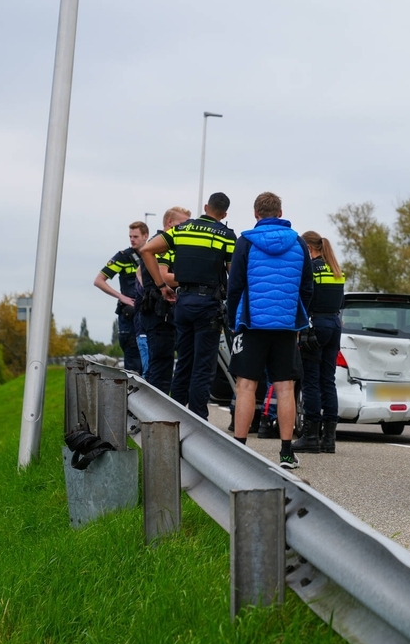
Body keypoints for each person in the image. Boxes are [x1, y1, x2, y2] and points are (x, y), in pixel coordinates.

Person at [226, 192, 313, 469]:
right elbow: (308, 287)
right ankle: (286, 453)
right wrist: (296, 315)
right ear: (280, 212)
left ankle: (239, 450)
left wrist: (232, 320)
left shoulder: (246, 242)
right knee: (285, 387)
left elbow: (235, 285)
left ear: (256, 214)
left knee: (246, 386)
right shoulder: (299, 243)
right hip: (286, 327)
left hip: (252, 325)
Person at [140, 192, 236, 419]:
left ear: (205, 207)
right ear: (224, 214)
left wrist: (162, 285)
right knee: (203, 366)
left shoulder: (181, 230)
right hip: (208, 306)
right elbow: (234, 275)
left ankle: (173, 417)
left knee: (183, 362)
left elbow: (146, 250)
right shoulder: (227, 235)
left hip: (182, 303)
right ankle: (198, 420)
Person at [292, 230, 346, 454]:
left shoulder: (310, 269)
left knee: (311, 381)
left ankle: (311, 435)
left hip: (315, 326)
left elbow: (304, 297)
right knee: (328, 380)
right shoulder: (336, 270)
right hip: (335, 325)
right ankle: (329, 438)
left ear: (308, 248)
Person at [138, 206, 190, 394]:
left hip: (162, 313)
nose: (184, 229)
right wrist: (194, 280)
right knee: (160, 366)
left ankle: (155, 412)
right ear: (169, 223)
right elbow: (163, 275)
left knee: (163, 364)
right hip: (159, 313)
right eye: (181, 224)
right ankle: (154, 415)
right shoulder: (163, 245)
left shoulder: (160, 244)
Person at [93, 221, 148, 373]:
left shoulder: (153, 255)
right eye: (130, 236)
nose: (132, 240)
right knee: (133, 366)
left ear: (146, 236)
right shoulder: (123, 257)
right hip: (129, 317)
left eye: (135, 236)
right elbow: (99, 280)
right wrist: (121, 297)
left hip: (147, 315)